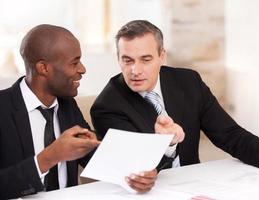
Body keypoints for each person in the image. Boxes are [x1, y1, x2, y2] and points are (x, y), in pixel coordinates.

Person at [90, 20, 259, 175]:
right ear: (118, 59)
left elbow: (228, 133)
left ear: (162, 56)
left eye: (146, 59)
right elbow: (135, 169)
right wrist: (168, 144)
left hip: (193, 184)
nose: (135, 70)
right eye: (127, 60)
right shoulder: (107, 105)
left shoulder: (188, 81)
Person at [0, 24, 154, 199]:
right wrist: (48, 158)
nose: (82, 69)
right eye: (74, 62)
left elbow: (94, 156)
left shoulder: (67, 105)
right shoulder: (4, 107)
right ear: (44, 68)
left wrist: (135, 172)